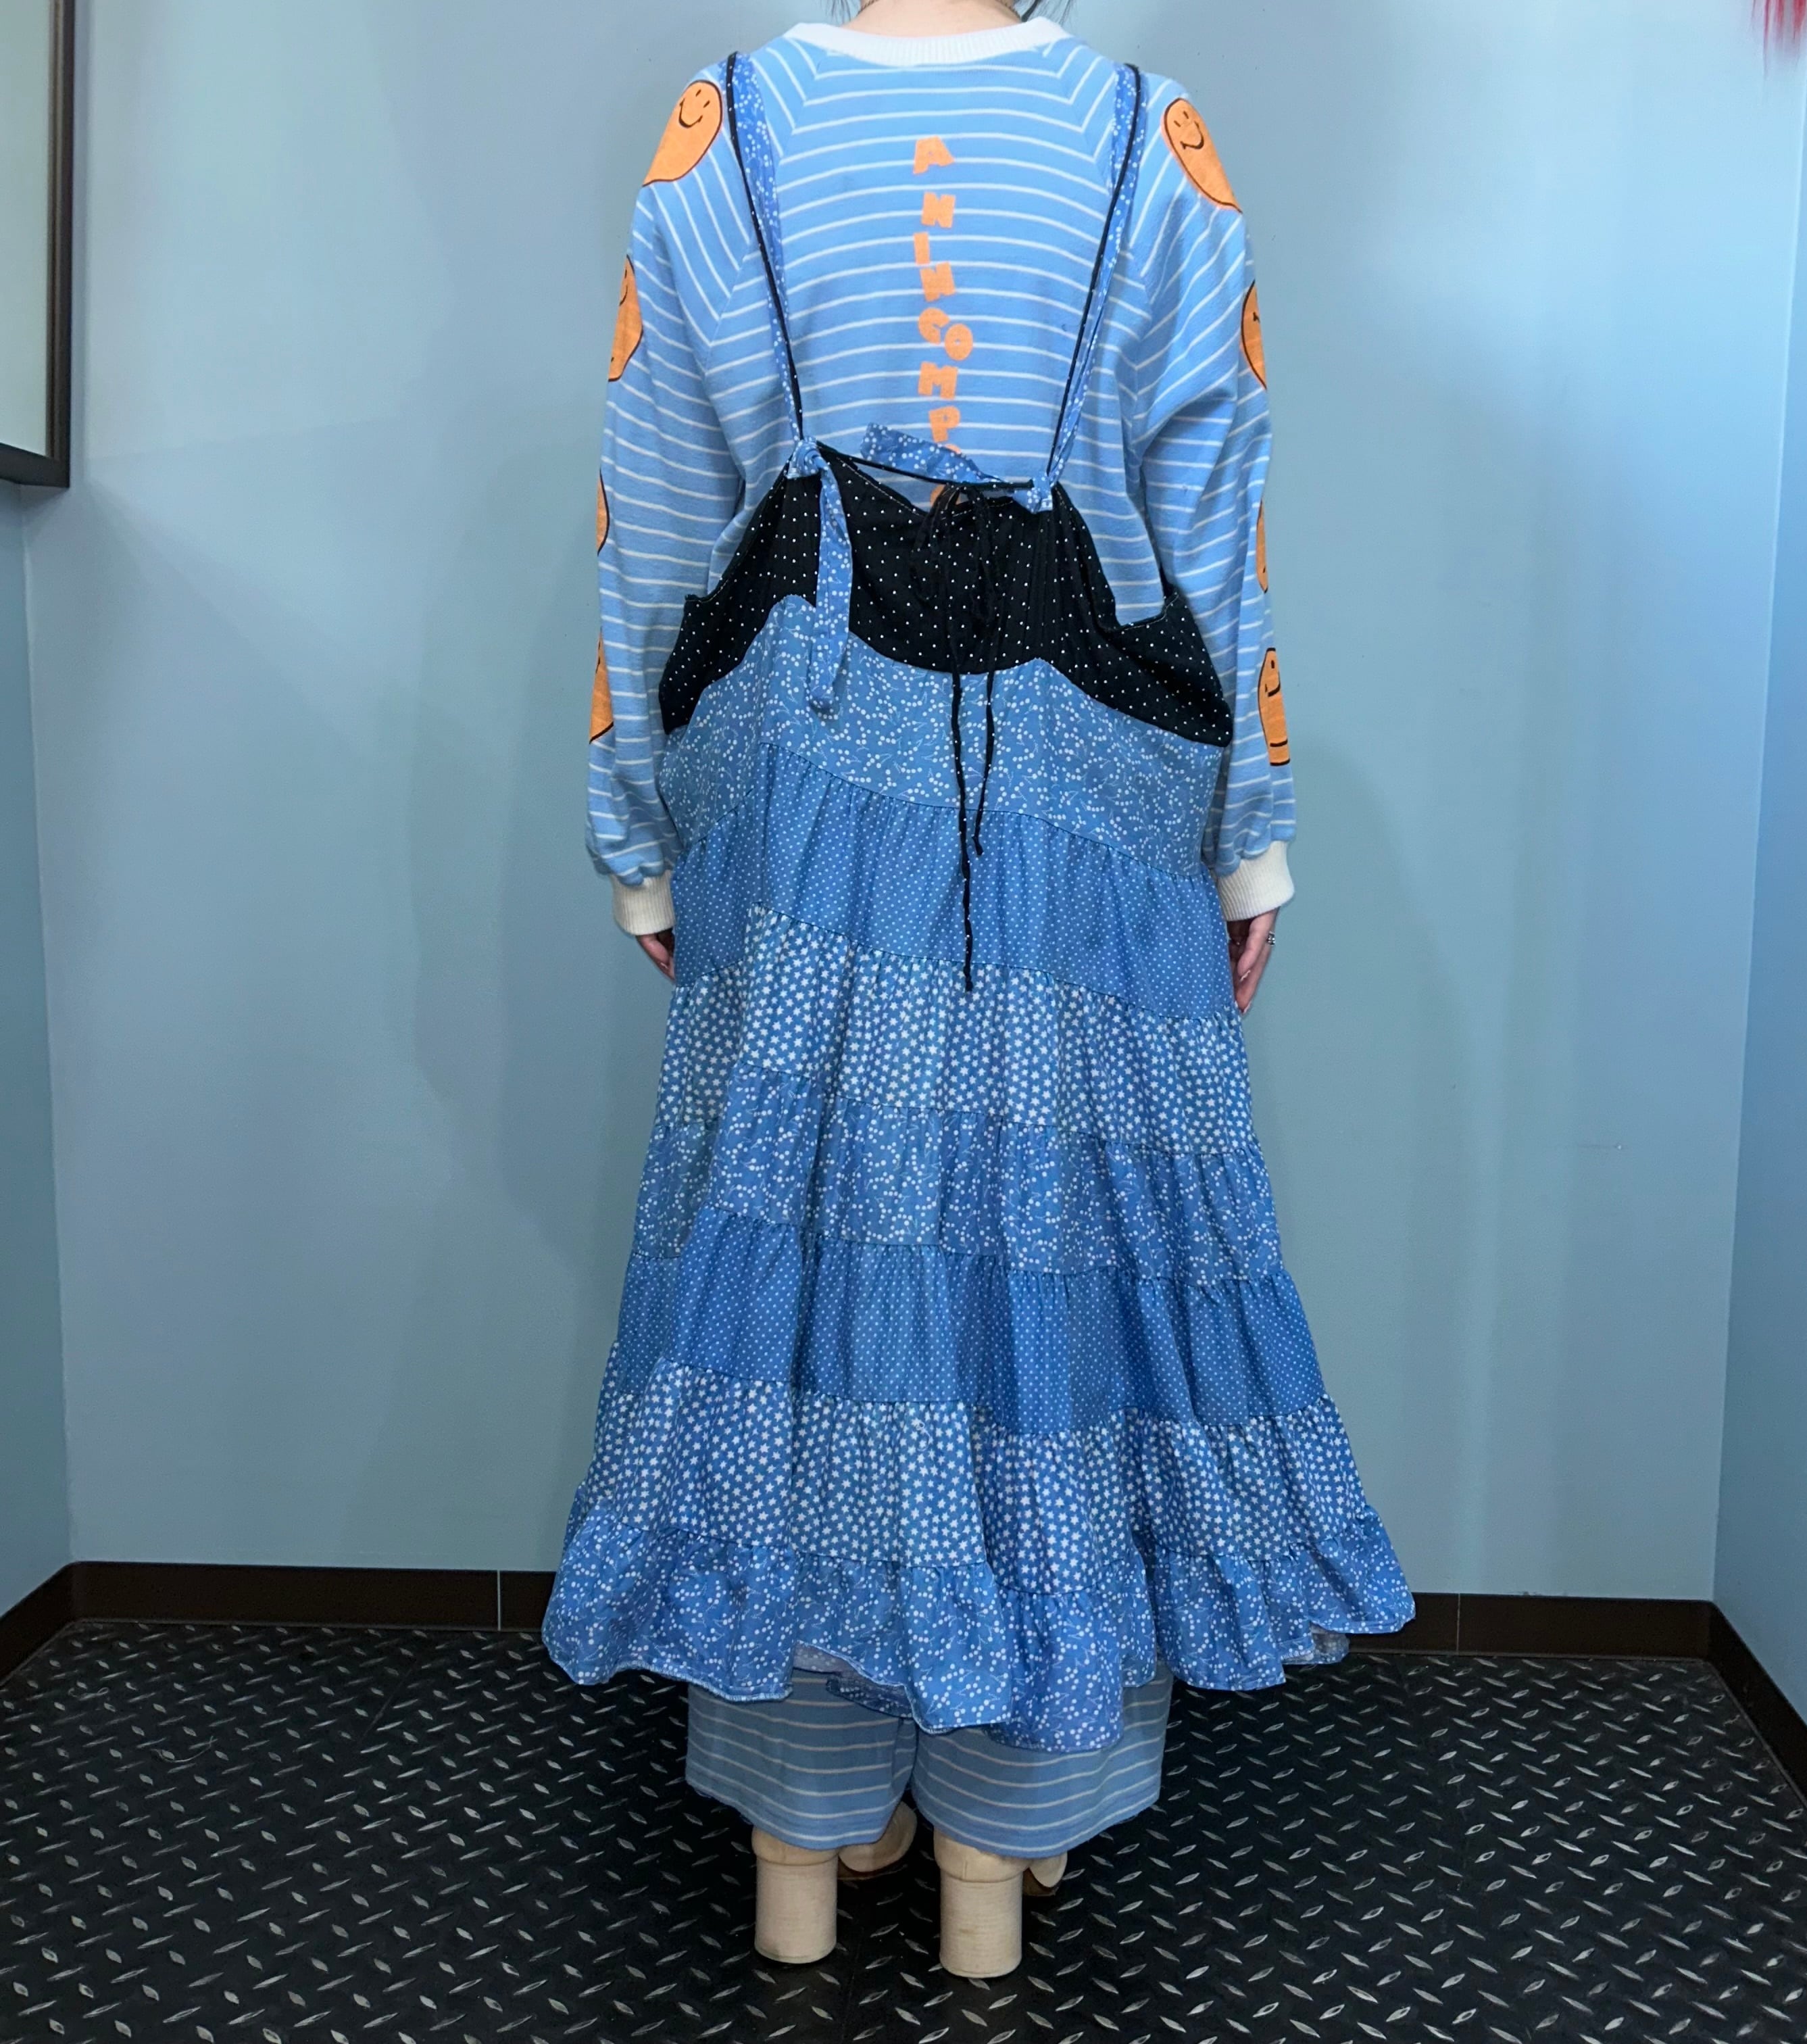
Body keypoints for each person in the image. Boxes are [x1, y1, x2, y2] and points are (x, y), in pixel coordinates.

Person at [543, 0, 1414, 1978]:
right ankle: (999, 1855)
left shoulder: (723, 128)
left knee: (801, 1283)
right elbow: (1214, 517)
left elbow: (655, 500)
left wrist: (637, 832)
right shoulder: (1150, 135)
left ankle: (805, 1832)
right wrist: (1250, 837)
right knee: (1056, 1291)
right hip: (1094, 799)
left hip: (798, 783)